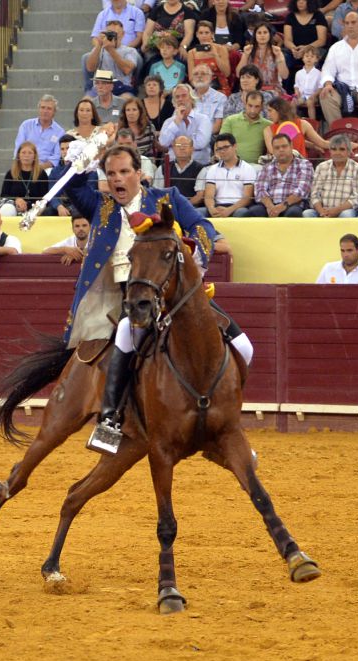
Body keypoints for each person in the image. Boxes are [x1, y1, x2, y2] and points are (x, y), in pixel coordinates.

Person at [61, 143, 246, 442]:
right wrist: (82, 159)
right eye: (111, 174)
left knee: (245, 347)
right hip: (127, 295)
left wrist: (198, 252)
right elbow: (71, 186)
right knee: (125, 333)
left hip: (173, 291)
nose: (118, 179)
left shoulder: (165, 199)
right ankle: (110, 419)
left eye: (124, 172)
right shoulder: (100, 205)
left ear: (140, 173)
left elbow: (201, 224)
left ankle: (228, 416)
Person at [244, 132, 313, 217]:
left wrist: (282, 206)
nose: (281, 150)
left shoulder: (304, 164)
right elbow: (260, 189)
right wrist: (270, 206)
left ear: (291, 146)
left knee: (293, 213)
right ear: (272, 150)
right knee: (253, 211)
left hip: (293, 204)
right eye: (277, 148)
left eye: (284, 146)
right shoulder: (267, 167)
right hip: (270, 205)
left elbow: (302, 190)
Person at [303, 133, 358, 217]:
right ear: (330, 151)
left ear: (349, 152)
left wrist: (336, 210)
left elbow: (357, 197)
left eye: (342, 149)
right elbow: (314, 194)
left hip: (344, 211)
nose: (337, 153)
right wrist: (322, 211)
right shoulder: (321, 167)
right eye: (334, 149)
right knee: (307, 213)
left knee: (347, 215)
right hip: (323, 211)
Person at [201, 131, 257, 217]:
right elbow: (209, 195)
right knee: (198, 213)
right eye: (219, 149)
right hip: (218, 205)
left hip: (238, 207)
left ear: (235, 146)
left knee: (242, 213)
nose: (222, 151)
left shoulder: (247, 168)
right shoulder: (213, 169)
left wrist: (229, 210)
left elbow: (247, 198)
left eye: (226, 147)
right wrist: (211, 208)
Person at [159, 83, 212, 163]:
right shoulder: (169, 122)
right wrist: (176, 122)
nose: (180, 99)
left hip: (198, 165)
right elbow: (163, 142)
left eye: (184, 96)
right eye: (177, 97)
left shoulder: (203, 119)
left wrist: (175, 144)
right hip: (173, 165)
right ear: (174, 101)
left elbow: (201, 143)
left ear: (191, 98)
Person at [282, 0, 328, 93]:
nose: (300, 2)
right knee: (283, 58)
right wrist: (293, 48)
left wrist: (306, 48)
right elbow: (287, 40)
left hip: (314, 49)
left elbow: (322, 40)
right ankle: (285, 91)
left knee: (317, 57)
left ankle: (315, 93)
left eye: (303, 0)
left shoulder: (318, 15)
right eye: (298, 0)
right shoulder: (290, 17)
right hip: (295, 51)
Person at [262, 96, 329, 158]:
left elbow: (323, 143)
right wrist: (312, 145)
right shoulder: (268, 130)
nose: (268, 114)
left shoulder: (303, 124)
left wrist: (337, 143)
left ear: (280, 110)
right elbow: (273, 151)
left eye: (270, 110)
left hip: (301, 165)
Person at [85, 21, 140, 95]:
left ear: (122, 34)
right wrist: (99, 45)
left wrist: (111, 50)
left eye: (115, 33)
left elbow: (127, 70)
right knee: (86, 101)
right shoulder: (99, 49)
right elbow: (90, 68)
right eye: (109, 33)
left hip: (122, 87)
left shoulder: (130, 51)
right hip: (100, 87)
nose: (112, 36)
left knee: (126, 99)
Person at [0, 140, 50, 217]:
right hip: (15, 207)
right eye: (23, 152)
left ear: (34, 156)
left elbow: (44, 197)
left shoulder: (41, 174)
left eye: (30, 153)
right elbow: (3, 195)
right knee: (7, 209)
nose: (26, 155)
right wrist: (17, 200)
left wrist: (28, 205)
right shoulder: (11, 173)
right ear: (18, 155)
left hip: (35, 208)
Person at [152, 134, 207, 207]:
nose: (182, 148)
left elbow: (200, 196)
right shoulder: (163, 168)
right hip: (167, 209)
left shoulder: (200, 169)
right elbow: (157, 192)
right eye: (178, 145)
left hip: (190, 208)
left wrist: (182, 207)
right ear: (173, 148)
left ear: (192, 149)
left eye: (185, 145)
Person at [14, 94, 65, 171]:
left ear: (54, 112)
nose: (45, 111)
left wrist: (39, 168)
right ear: (39, 109)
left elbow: (56, 157)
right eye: (43, 107)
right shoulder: (26, 125)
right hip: (24, 166)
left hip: (46, 170)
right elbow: (18, 148)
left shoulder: (60, 132)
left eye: (49, 108)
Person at [219, 89, 270, 164]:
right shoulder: (230, 120)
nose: (252, 110)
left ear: (262, 107)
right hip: (232, 165)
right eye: (250, 106)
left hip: (256, 167)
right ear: (245, 104)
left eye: (257, 107)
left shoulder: (267, 125)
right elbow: (220, 144)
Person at [187, 21, 231, 97]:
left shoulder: (221, 49)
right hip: (201, 88)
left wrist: (215, 55)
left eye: (207, 33)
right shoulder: (191, 53)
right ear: (197, 35)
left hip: (220, 89)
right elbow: (191, 78)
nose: (204, 36)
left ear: (212, 34)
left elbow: (227, 73)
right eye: (201, 33)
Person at [190, 63, 227, 135]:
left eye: (203, 74)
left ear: (210, 77)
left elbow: (217, 127)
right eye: (196, 74)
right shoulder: (187, 96)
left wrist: (200, 137)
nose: (199, 76)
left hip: (208, 137)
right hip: (186, 138)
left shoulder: (220, 98)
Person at [293, 46, 323, 121]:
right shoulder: (298, 73)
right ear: (303, 58)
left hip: (313, 96)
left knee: (310, 102)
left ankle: (313, 122)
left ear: (316, 59)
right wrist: (296, 92)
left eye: (312, 56)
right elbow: (296, 85)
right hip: (302, 96)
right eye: (306, 56)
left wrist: (314, 95)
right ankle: (295, 120)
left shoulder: (318, 73)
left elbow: (320, 87)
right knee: (293, 102)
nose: (309, 58)